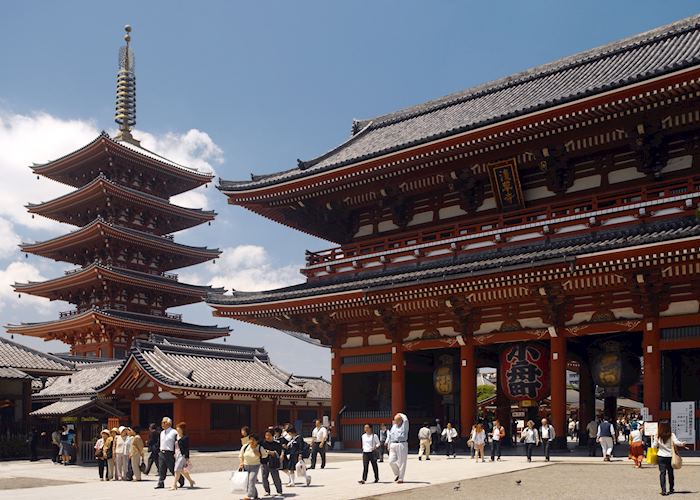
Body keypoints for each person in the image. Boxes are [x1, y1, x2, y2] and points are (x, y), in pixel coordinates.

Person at [653, 420, 687, 496]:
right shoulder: (671, 435)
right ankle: (671, 489)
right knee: (670, 473)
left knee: (662, 473)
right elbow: (677, 442)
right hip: (670, 456)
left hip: (661, 456)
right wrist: (682, 444)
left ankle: (663, 490)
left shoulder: (657, 435)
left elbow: (654, 446)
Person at [155, 416, 184, 489]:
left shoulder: (174, 432)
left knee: (172, 468)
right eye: (162, 422)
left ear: (169, 423)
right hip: (162, 452)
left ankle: (180, 480)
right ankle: (160, 483)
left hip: (170, 453)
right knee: (161, 468)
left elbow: (178, 443)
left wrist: (177, 453)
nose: (162, 424)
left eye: (164, 422)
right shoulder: (161, 433)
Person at [239, 432, 266, 499]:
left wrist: (255, 451)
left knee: (251, 480)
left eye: (253, 440)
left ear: (257, 441)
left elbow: (264, 455)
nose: (251, 441)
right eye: (250, 439)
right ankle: (255, 495)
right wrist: (241, 463)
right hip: (246, 465)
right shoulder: (245, 446)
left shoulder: (260, 448)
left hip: (255, 466)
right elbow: (241, 455)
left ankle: (249, 496)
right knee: (248, 481)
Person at [171, 422, 194, 490]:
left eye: (178, 428)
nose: (177, 429)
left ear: (182, 429)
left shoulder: (185, 437)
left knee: (177, 469)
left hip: (182, 455)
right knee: (182, 470)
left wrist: (187, 457)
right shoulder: (176, 436)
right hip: (176, 454)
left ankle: (174, 485)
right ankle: (191, 481)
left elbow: (187, 448)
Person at [387, 412, 409, 483]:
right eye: (394, 420)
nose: (395, 421)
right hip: (393, 444)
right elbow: (390, 436)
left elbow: (405, 420)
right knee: (391, 461)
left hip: (401, 444)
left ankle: (401, 478)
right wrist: (389, 445)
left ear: (400, 420)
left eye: (396, 420)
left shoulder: (404, 425)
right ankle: (397, 474)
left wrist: (400, 414)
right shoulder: (394, 426)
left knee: (402, 462)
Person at [261, 429, 284, 496]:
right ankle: (267, 491)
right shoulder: (262, 443)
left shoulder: (276, 443)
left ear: (272, 436)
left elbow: (280, 450)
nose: (267, 437)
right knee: (264, 477)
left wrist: (273, 453)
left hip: (273, 462)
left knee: (276, 477)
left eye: (269, 435)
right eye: (266, 435)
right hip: (264, 462)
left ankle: (279, 491)